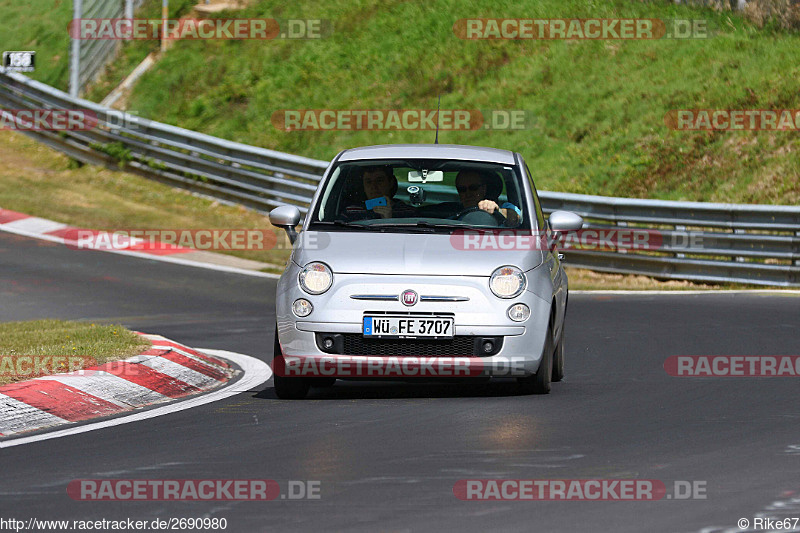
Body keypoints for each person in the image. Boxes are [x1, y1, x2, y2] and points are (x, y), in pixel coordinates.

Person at [341, 165, 415, 220]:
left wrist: (389, 218)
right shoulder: (350, 212)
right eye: (368, 182)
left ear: (391, 183)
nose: (373, 186)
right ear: (363, 185)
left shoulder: (407, 212)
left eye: (379, 181)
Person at [454, 170, 521, 226]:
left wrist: (498, 211)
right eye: (462, 189)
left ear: (484, 189)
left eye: (473, 188)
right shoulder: (451, 216)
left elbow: (515, 217)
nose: (468, 194)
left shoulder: (505, 207)